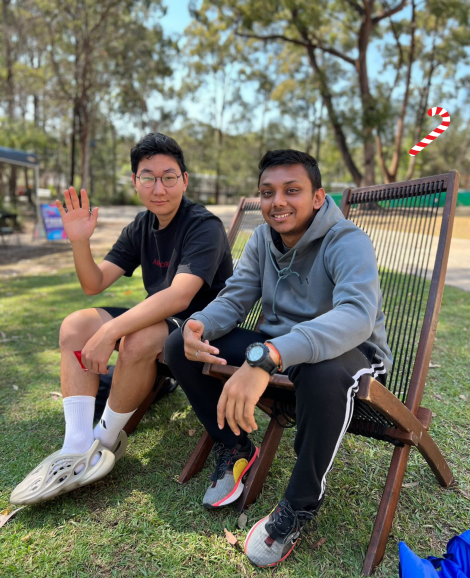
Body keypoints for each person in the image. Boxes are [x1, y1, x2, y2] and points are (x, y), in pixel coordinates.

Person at [165, 149, 393, 568]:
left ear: (319, 197)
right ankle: (234, 448)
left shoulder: (348, 241)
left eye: (292, 190)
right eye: (267, 192)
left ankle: (298, 505)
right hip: (280, 350)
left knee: (325, 372)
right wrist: (199, 323)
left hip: (348, 354)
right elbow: (235, 298)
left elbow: (356, 315)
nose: (278, 202)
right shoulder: (261, 241)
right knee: (178, 343)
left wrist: (269, 356)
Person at [10, 132, 233, 505]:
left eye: (169, 176)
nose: (158, 187)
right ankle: (76, 445)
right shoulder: (141, 225)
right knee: (75, 326)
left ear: (185, 180)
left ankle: (105, 441)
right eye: (148, 177)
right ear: (135, 182)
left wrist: (111, 331)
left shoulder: (203, 225)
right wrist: (79, 240)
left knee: (137, 339)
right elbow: (94, 283)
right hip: (156, 318)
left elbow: (181, 295)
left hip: (197, 323)